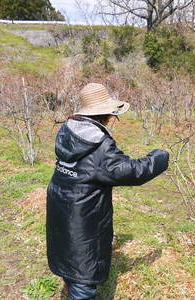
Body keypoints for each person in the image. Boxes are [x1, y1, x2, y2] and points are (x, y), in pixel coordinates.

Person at [46, 83, 169, 300]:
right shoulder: (98, 145)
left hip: (60, 204)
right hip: (83, 215)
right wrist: (159, 157)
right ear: (106, 114)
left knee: (69, 258)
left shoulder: (68, 130)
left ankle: (70, 287)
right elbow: (132, 172)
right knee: (84, 275)